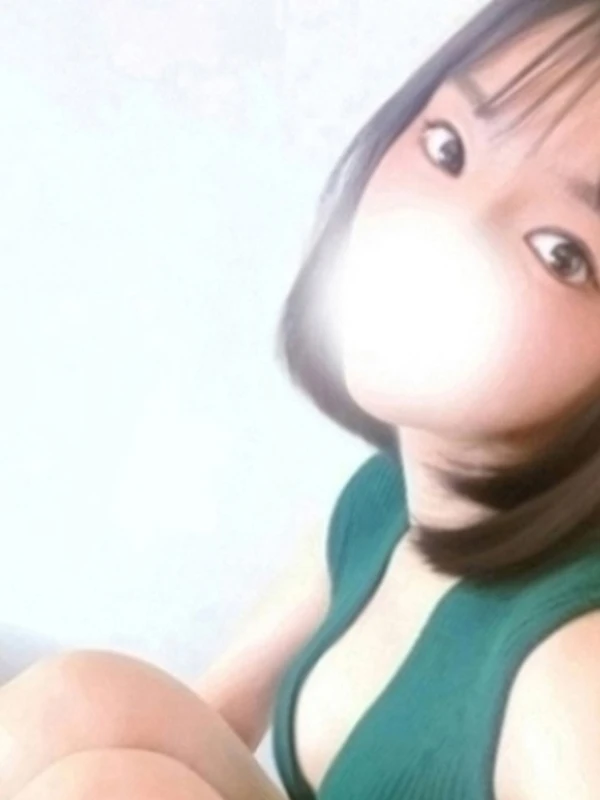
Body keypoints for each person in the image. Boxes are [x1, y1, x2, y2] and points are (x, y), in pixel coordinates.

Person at [3, 0, 600, 798]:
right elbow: (199, 729)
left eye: (562, 253)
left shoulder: (574, 674)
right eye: (446, 148)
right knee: (84, 704)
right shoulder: (384, 502)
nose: (450, 236)